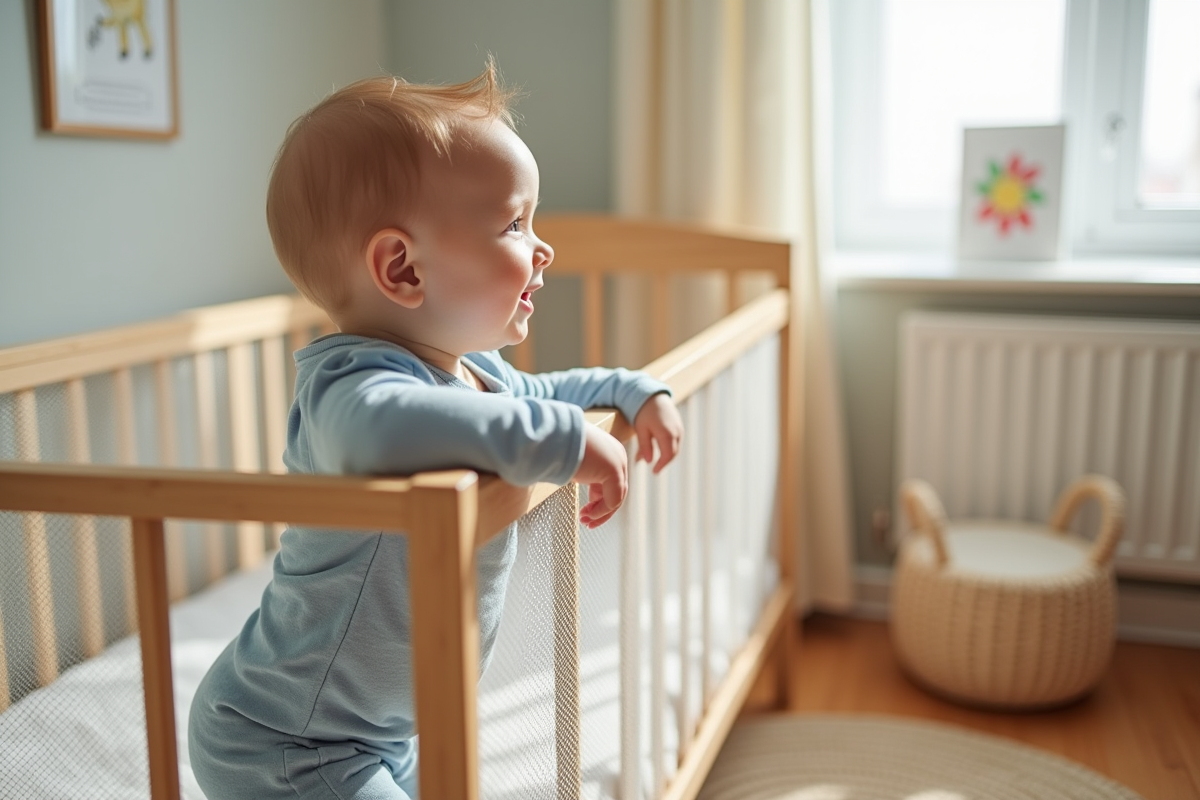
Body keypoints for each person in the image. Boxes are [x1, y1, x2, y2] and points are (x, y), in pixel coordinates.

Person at [188, 61, 684, 800]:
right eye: (515, 224)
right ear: (403, 269)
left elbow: (550, 392)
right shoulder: (348, 386)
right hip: (288, 738)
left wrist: (629, 391)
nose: (542, 247)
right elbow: (385, 432)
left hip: (387, 728)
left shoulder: (474, 373)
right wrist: (561, 441)